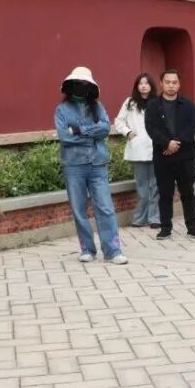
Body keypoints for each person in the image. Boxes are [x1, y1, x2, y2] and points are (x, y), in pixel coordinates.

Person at [56, 67, 129, 266]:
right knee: (79, 209)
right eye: (77, 83)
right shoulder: (62, 110)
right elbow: (64, 137)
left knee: (105, 207)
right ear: (70, 85)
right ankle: (87, 249)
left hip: (97, 164)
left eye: (85, 84)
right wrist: (91, 134)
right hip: (73, 165)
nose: (81, 87)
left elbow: (105, 128)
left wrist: (79, 130)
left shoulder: (98, 107)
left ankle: (113, 250)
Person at [144, 69, 195, 239]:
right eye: (167, 82)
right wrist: (167, 143)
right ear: (161, 84)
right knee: (165, 193)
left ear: (179, 84)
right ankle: (165, 228)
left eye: (174, 82)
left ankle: (192, 227)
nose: (171, 85)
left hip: (185, 155)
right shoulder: (153, 106)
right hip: (163, 155)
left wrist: (176, 143)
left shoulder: (188, 104)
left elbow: (192, 126)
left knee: (188, 192)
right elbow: (151, 128)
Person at [113, 72, 160, 229]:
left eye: (146, 83)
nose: (143, 86)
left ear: (151, 86)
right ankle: (139, 218)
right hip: (138, 148)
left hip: (155, 147)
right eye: (140, 83)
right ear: (137, 86)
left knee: (155, 186)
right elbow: (118, 121)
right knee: (142, 187)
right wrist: (128, 133)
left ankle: (155, 218)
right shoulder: (130, 103)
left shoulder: (158, 102)